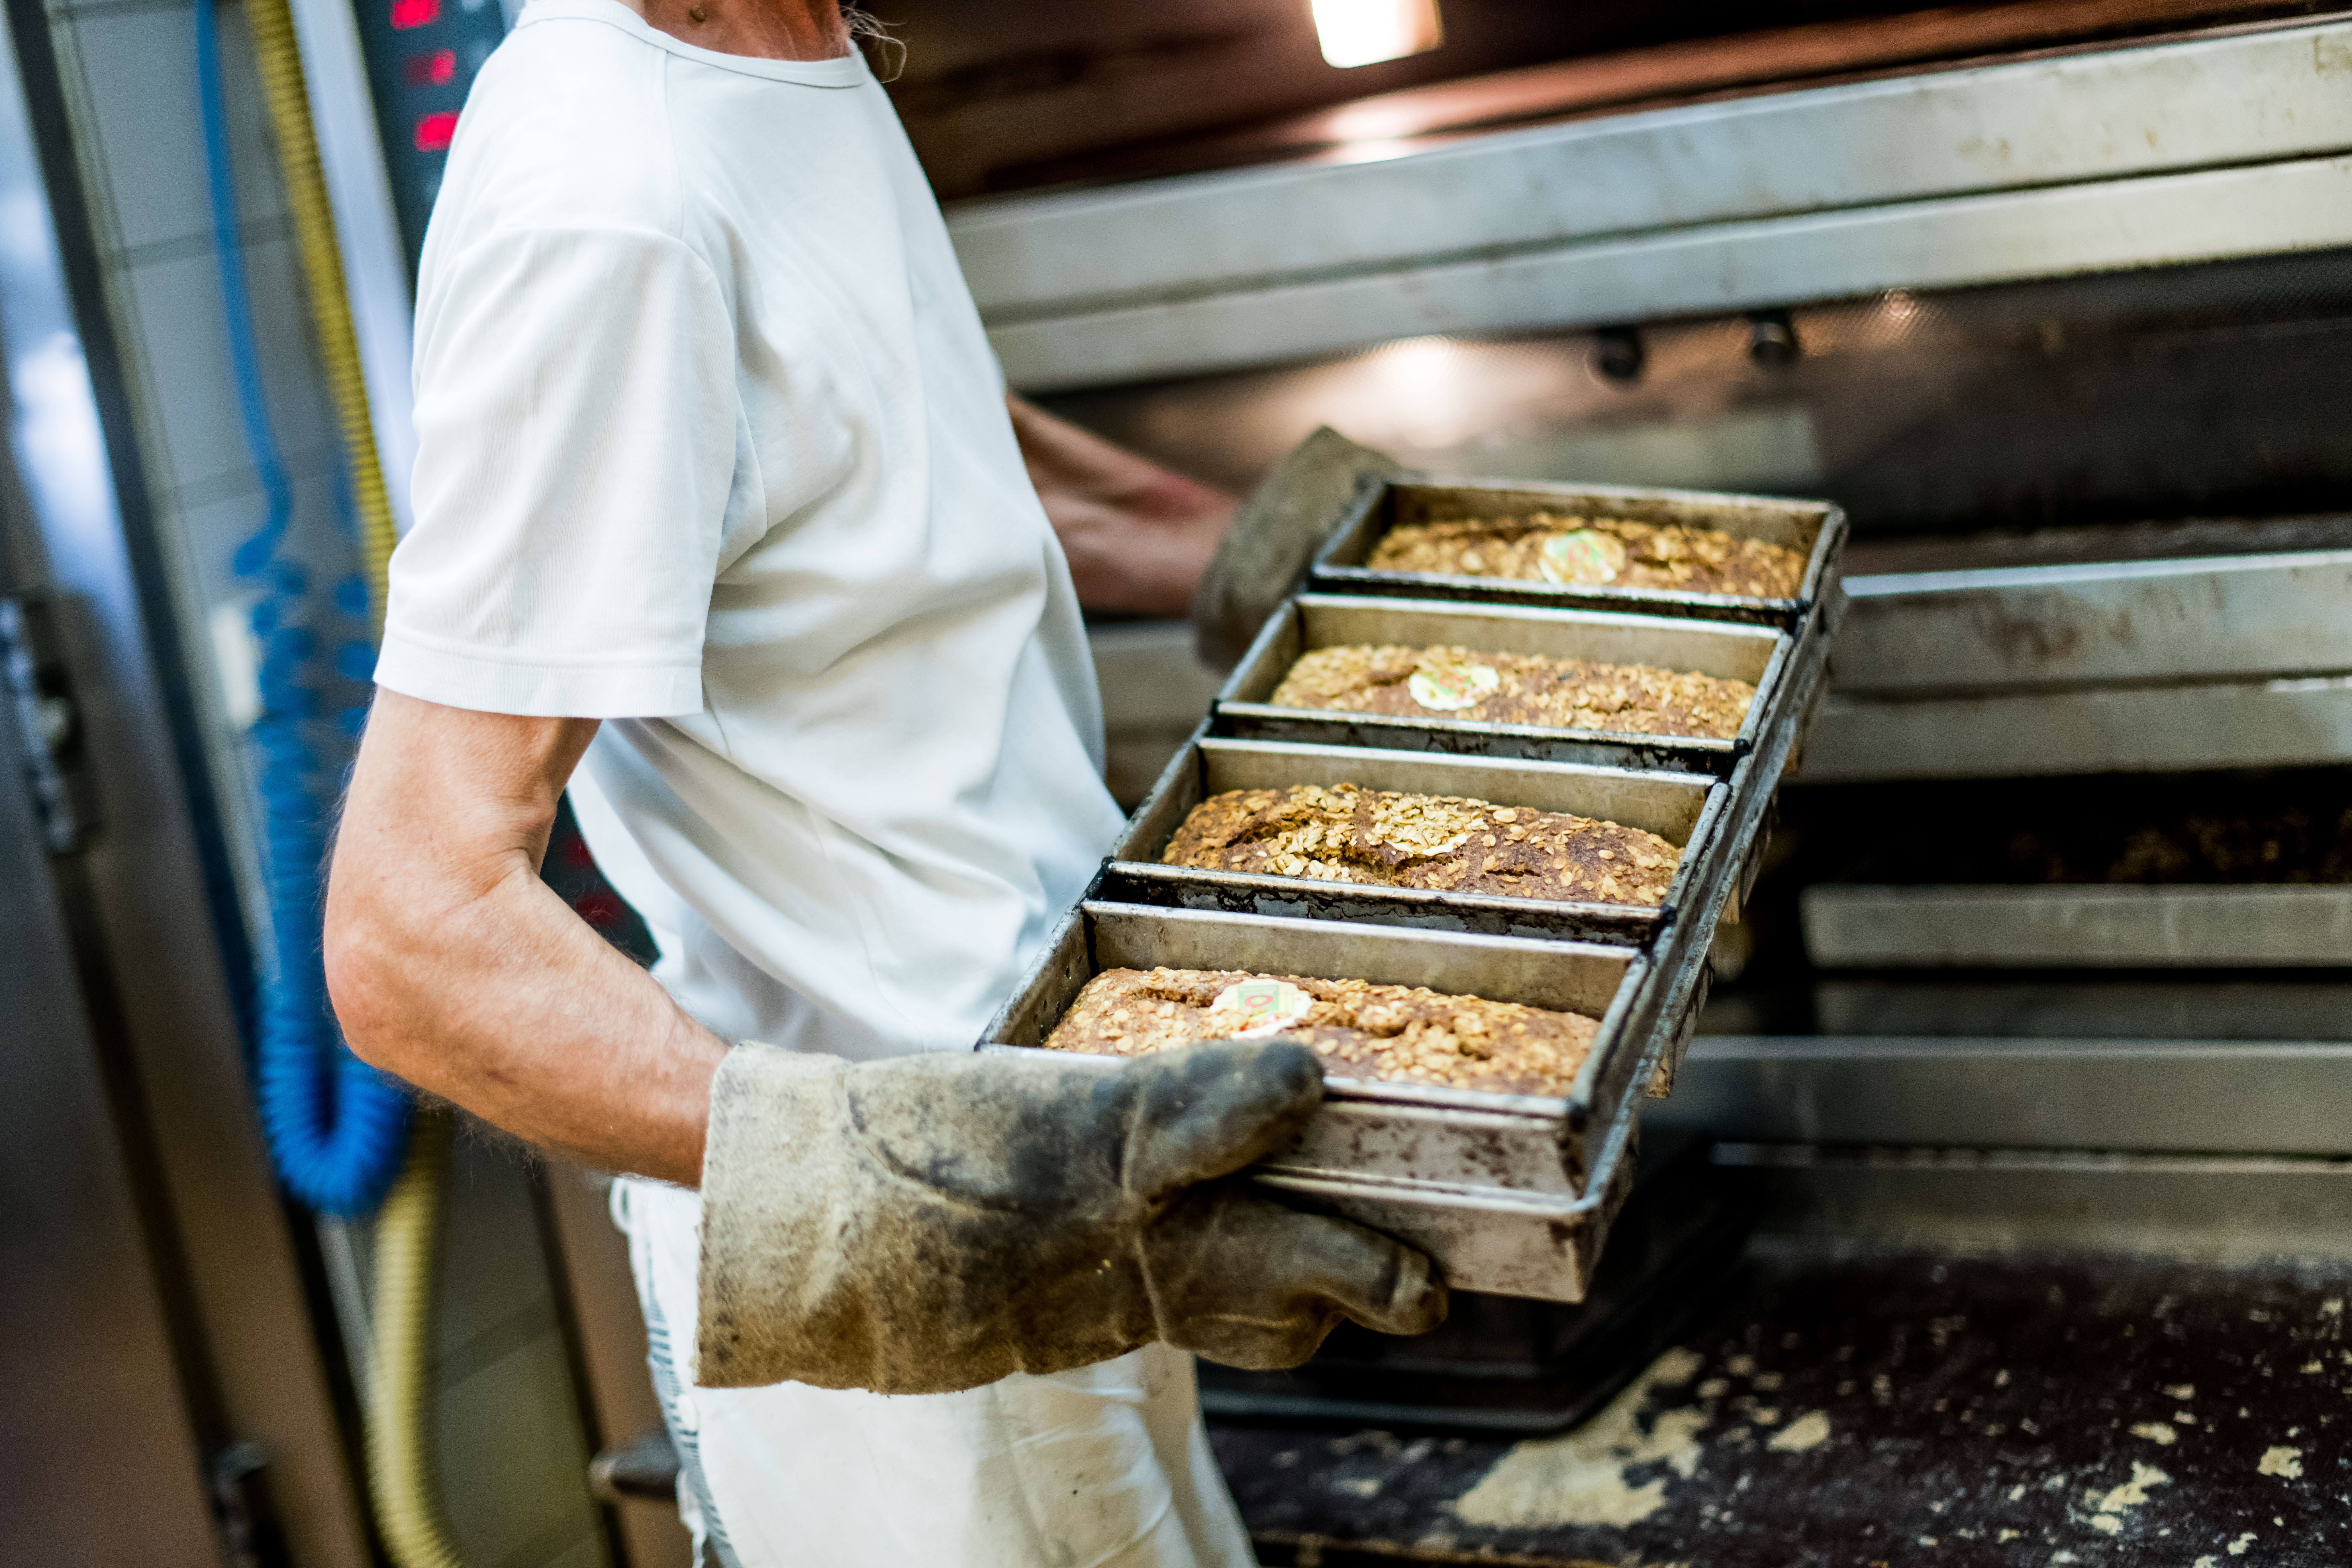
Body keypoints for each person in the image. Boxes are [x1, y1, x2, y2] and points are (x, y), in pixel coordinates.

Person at [320, 2, 1445, 1564]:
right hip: (919, 1330)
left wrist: (1261, 563)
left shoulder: (788, 48)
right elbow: (412, 940)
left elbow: (877, 438)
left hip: (1068, 1181)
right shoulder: (608, 204)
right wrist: (940, 1190)